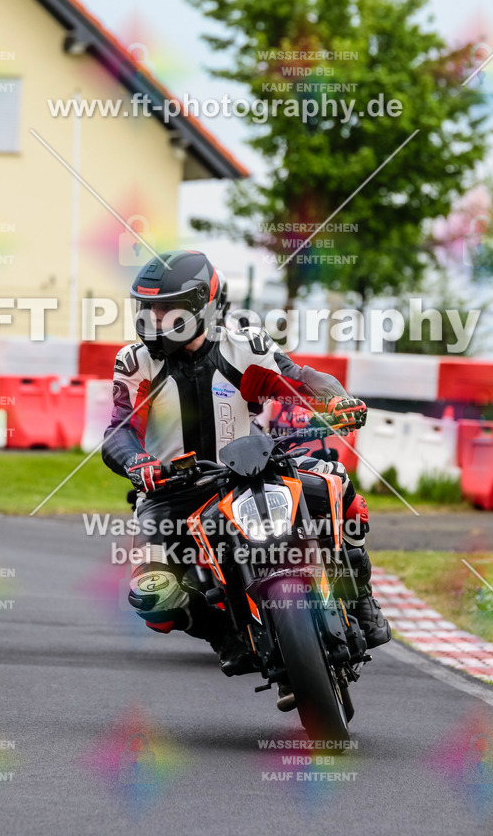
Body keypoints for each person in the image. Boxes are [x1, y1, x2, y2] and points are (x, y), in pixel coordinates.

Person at [102, 250, 390, 709]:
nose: (154, 319)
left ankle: (360, 598)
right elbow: (118, 432)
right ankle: (227, 638)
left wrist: (336, 400)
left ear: (201, 305)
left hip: (253, 467)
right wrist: (140, 465)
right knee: (152, 594)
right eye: (149, 308)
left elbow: (299, 379)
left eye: (166, 308)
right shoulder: (134, 363)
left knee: (336, 484)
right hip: (174, 488)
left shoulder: (245, 347)